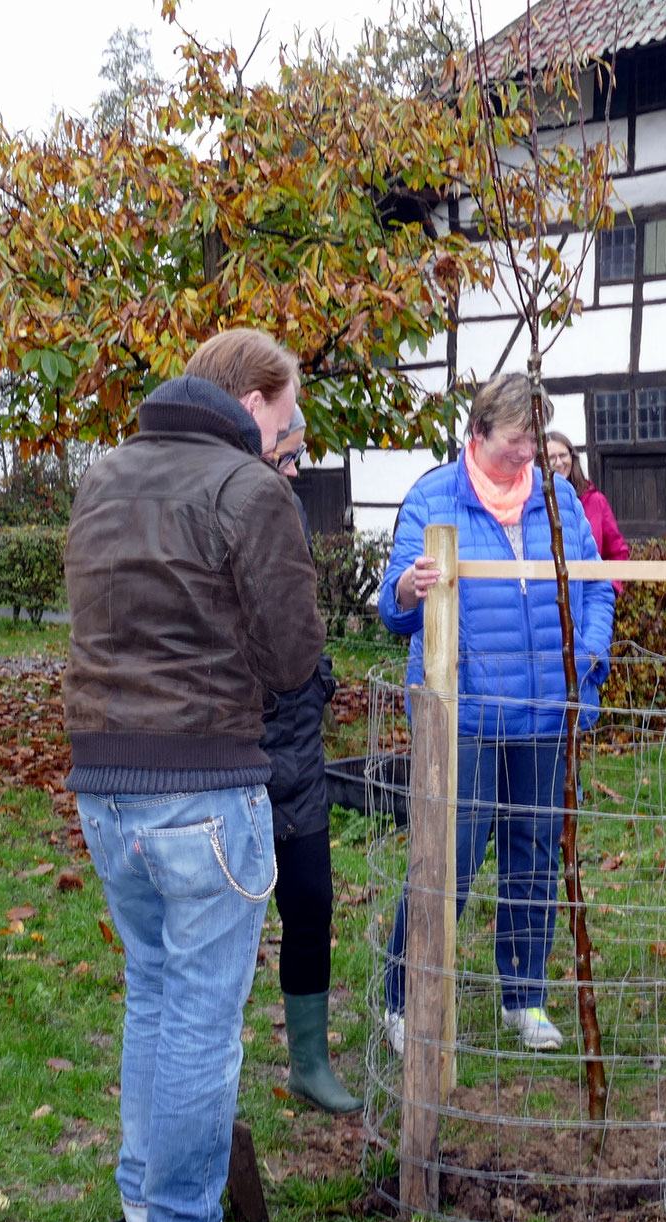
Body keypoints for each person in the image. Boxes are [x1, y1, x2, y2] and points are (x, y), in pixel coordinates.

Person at [64, 327, 320, 1222]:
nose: (290, 437)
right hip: (204, 784)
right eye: (288, 418)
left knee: (153, 993)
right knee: (203, 1020)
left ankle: (144, 1201)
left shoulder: (103, 475)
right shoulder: (247, 487)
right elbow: (293, 655)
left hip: (103, 777)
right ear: (254, 398)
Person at [379, 375, 616, 1053]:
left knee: (534, 857)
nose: (531, 452)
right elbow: (395, 608)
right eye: (519, 439)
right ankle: (406, 995)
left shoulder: (559, 496)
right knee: (447, 855)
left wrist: (588, 657)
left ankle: (526, 998)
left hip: (545, 711)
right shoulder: (433, 496)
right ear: (478, 434)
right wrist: (407, 586)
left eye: (538, 438)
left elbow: (596, 584)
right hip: (465, 712)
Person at [256, 407, 361, 1114]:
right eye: (288, 454)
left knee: (310, 899)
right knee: (229, 920)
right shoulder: (231, 502)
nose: (297, 468)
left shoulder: (283, 505)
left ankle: (309, 1061)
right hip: (236, 741)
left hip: (296, 739)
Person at [544, 432, 630, 593]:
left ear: (572, 457)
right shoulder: (535, 503)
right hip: (548, 599)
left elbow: (617, 552)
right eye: (551, 458)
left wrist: (609, 587)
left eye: (563, 455)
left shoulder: (596, 501)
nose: (559, 462)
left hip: (590, 598)